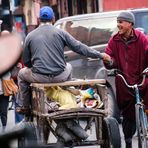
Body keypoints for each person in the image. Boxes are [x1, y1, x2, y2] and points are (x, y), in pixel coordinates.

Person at [16, 6, 111, 113]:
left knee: (21, 74)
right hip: (60, 77)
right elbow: (80, 48)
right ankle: (67, 89)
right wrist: (100, 55)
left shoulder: (30, 36)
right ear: (53, 18)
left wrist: (36, 65)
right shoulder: (61, 33)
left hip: (39, 77)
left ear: (39, 20)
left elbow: (27, 62)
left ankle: (25, 106)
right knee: (68, 66)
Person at [103, 11, 148, 148]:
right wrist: (109, 61)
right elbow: (110, 58)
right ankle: (128, 140)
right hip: (124, 82)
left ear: (130, 24)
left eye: (121, 22)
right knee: (127, 115)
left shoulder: (142, 39)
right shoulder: (114, 40)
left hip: (142, 79)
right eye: (118, 22)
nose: (118, 25)